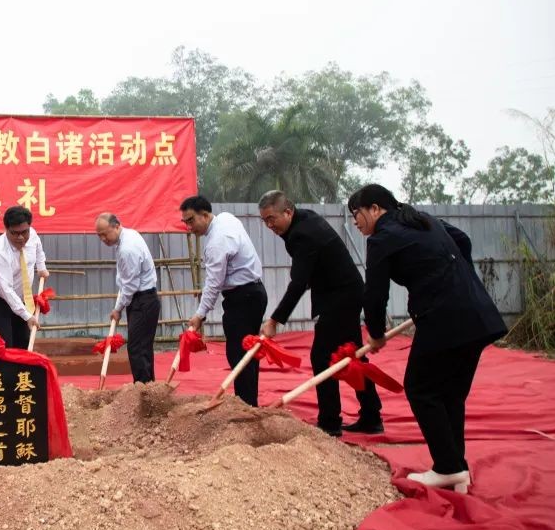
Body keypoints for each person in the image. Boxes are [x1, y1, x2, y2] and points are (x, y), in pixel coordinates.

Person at [349, 184, 506, 493]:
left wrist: (376, 334)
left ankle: (447, 467)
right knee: (450, 395)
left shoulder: (382, 238)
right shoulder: (424, 220)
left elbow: (375, 294)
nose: (355, 222)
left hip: (443, 317)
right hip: (476, 313)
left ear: (375, 209)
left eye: (357, 214)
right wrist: (458, 276)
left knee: (420, 388)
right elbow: (463, 240)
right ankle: (457, 469)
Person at [257, 191, 382, 437]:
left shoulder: (302, 234)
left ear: (288, 212)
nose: (269, 226)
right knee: (354, 356)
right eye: (265, 221)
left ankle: (330, 422)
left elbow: (298, 282)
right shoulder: (304, 221)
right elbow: (305, 276)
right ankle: (371, 415)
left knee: (322, 357)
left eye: (272, 219)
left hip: (341, 297)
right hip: (345, 292)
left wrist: (274, 320)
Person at [180, 196, 266, 406]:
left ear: (205, 215)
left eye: (191, 220)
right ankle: (248, 403)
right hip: (253, 293)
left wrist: (200, 315)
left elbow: (213, 283)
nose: (189, 227)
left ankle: (246, 406)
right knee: (248, 352)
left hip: (243, 298)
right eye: (186, 222)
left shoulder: (217, 241)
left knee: (239, 354)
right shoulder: (226, 218)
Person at [95, 213, 160, 383]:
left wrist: (118, 309)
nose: (103, 239)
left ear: (116, 226)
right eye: (99, 235)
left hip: (143, 300)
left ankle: (143, 388)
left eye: (105, 234)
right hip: (141, 299)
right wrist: (118, 307)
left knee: (137, 348)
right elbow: (125, 282)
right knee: (142, 347)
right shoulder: (128, 236)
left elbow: (130, 285)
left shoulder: (127, 249)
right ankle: (147, 387)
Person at [0, 206, 49, 349]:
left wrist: (41, 268)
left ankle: (22, 364)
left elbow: (39, 250)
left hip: (21, 294)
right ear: (6, 229)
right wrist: (27, 316)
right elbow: (6, 290)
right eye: (15, 233)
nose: (21, 237)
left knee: (23, 341)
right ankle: (2, 365)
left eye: (24, 232)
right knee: (4, 343)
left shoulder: (32, 235)